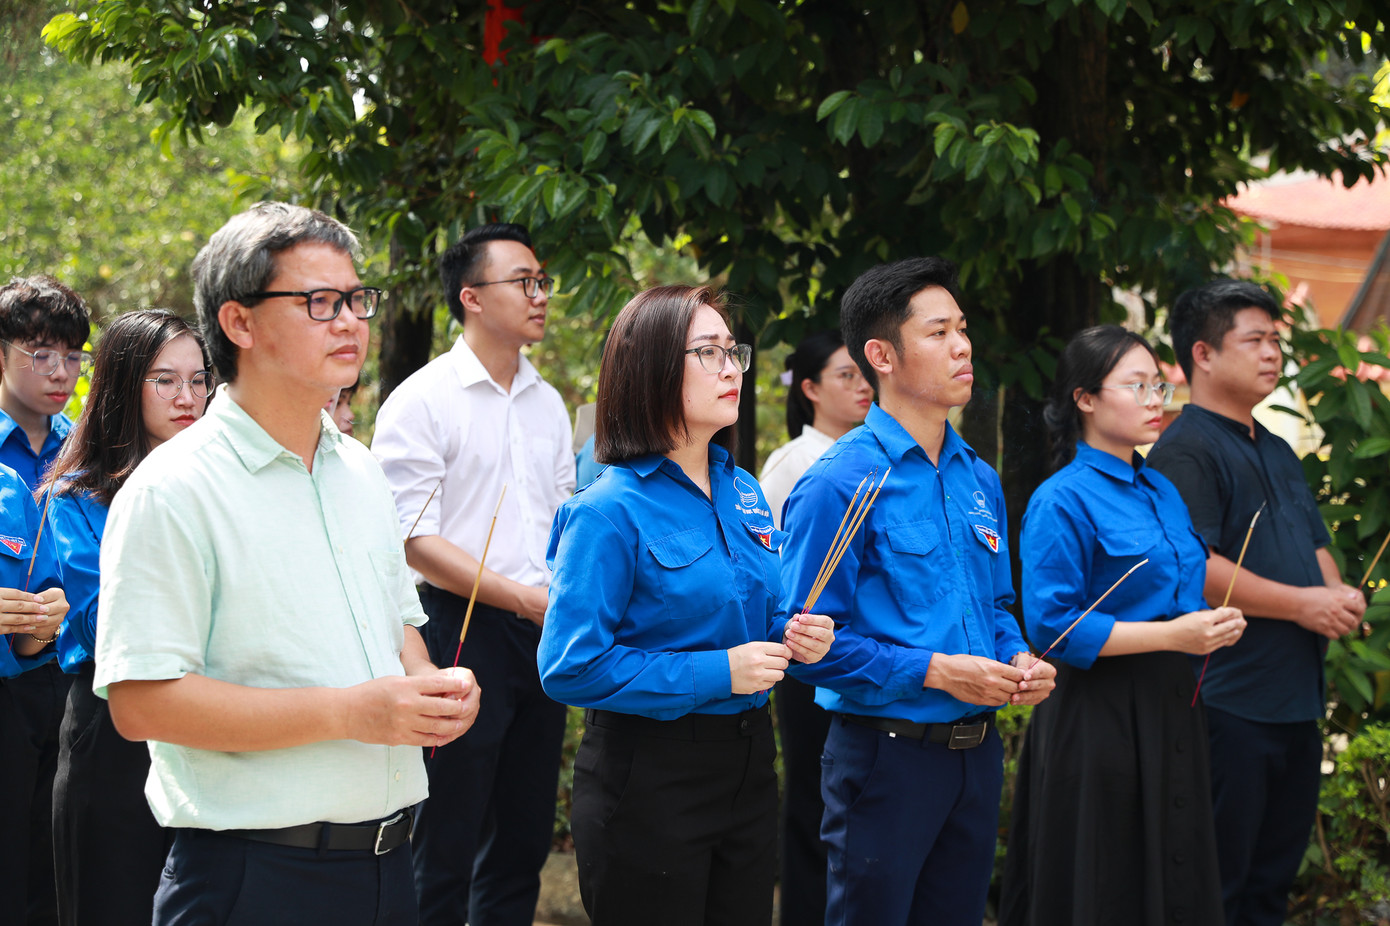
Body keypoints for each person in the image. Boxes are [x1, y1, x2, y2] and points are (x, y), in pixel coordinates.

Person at [93, 202, 480, 926]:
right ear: (239, 323)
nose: (351, 322)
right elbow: (140, 703)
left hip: (392, 868)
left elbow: (400, 630)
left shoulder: (362, 473)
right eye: (319, 302)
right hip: (254, 877)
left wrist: (430, 691)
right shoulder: (173, 489)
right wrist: (352, 712)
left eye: (358, 300)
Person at [538, 284, 835, 926]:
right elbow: (568, 666)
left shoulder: (745, 489)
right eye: (708, 353)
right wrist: (718, 672)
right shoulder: (607, 509)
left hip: (750, 763)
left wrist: (796, 635)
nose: (731, 369)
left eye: (733, 351)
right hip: (649, 775)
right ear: (649, 368)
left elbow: (761, 614)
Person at [778, 256, 1057, 926]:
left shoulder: (977, 478)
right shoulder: (839, 482)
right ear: (882, 354)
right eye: (937, 333)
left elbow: (996, 607)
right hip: (884, 758)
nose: (962, 346)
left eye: (962, 328)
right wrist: (935, 671)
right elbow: (804, 642)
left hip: (976, 756)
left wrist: (1018, 657)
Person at [998, 325, 1246, 926]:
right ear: (1085, 398)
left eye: (1158, 385)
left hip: (1173, 703)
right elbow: (1054, 629)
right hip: (1098, 714)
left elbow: (1180, 589)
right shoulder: (1061, 500)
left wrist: (1207, 622)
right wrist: (1174, 635)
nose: (1155, 400)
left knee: (1173, 870)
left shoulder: (1159, 486)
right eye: (1136, 386)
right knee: (1105, 882)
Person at [372, 223, 574, 926]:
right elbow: (409, 538)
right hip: (460, 630)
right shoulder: (423, 400)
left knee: (521, 842)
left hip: (542, 635)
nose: (540, 295)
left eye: (541, 281)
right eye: (523, 281)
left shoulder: (547, 402)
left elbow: (561, 519)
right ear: (471, 298)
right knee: (445, 840)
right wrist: (519, 595)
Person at [1147, 280, 1366, 926]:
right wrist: (1303, 605)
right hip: (1229, 702)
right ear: (1204, 354)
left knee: (1273, 883)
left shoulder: (1273, 446)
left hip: (1294, 699)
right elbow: (1200, 569)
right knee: (1219, 885)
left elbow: (1313, 541)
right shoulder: (1186, 447)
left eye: (1278, 340)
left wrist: (1337, 596)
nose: (1273, 353)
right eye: (1256, 339)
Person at [43, 310, 212, 926]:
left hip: (208, 722)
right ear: (121, 384)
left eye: (199, 380)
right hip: (113, 732)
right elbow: (105, 617)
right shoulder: (79, 495)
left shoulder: (224, 488)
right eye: (165, 381)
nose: (187, 398)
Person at [757, 329, 871, 926]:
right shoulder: (794, 465)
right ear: (809, 388)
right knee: (811, 805)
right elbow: (770, 571)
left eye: (862, 374)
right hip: (805, 659)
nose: (860, 386)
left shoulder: (874, 457)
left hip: (858, 658)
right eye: (844, 375)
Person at [0, 272, 89, 926]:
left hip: (67, 687)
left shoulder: (89, 453)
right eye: (39, 354)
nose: (60, 371)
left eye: (72, 355)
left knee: (56, 868)